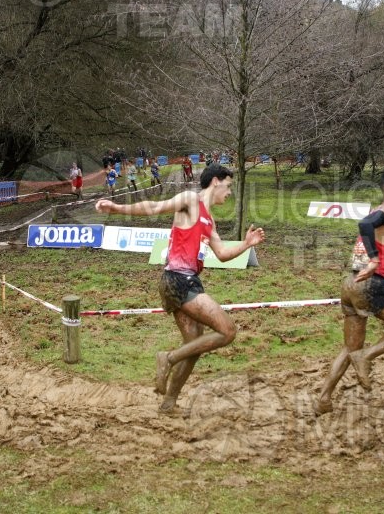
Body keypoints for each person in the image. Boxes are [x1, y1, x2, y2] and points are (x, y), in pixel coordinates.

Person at [95, 164, 265, 415]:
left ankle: (169, 403)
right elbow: (155, 207)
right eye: (228, 186)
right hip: (178, 280)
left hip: (185, 281)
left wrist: (247, 244)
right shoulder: (190, 201)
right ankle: (168, 358)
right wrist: (118, 207)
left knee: (195, 345)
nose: (229, 193)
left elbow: (222, 254)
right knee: (227, 331)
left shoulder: (209, 219)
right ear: (215, 181)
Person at [314, 168, 384, 416]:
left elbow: (371, 241)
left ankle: (324, 398)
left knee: (350, 348)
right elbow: (364, 226)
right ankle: (367, 357)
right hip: (371, 285)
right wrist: (376, 260)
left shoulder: (378, 211)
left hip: (350, 283)